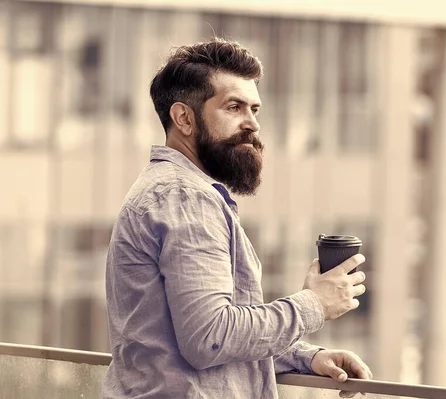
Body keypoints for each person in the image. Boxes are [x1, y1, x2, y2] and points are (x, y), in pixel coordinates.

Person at [102, 37, 371, 399]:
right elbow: (210, 338)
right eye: (234, 107)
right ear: (184, 118)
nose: (252, 124)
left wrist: (305, 357)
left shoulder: (173, 191)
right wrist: (314, 304)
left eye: (254, 110)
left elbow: (184, 339)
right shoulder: (186, 198)